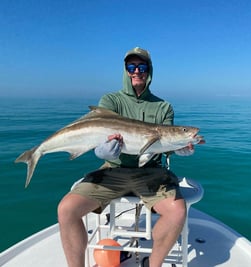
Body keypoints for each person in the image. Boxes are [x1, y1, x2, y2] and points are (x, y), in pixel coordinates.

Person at [58, 47, 194, 267]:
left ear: (149, 71)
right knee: (67, 209)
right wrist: (103, 150)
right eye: (132, 66)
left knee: (177, 212)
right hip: (113, 170)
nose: (137, 71)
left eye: (142, 66)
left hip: (152, 173)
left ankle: (153, 264)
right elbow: (97, 135)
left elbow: (165, 142)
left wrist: (179, 146)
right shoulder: (111, 100)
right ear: (125, 70)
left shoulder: (163, 107)